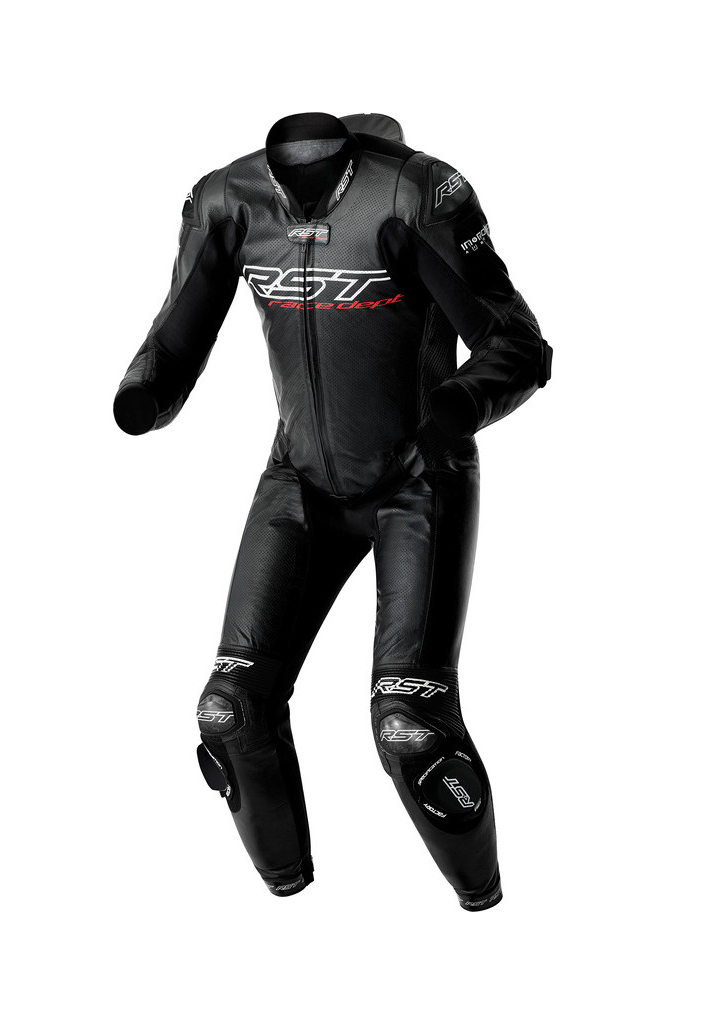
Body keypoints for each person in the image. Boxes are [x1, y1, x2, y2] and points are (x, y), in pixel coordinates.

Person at [113, 111, 552, 910]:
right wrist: (147, 389)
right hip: (300, 485)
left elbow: (517, 343)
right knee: (228, 711)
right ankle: (289, 900)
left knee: (408, 724)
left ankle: (484, 904)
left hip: (418, 480)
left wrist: (463, 403)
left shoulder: (414, 194)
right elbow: (176, 333)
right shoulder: (227, 200)